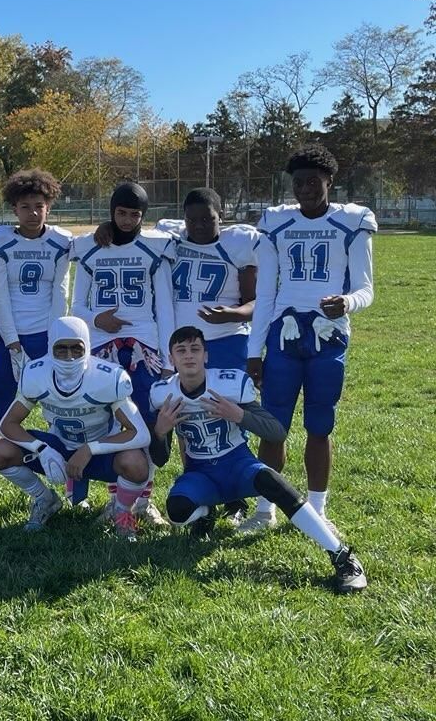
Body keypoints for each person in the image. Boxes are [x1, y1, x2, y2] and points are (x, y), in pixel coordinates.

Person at [150, 326, 367, 593]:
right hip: (201, 473)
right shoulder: (162, 393)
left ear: (206, 355)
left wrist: (239, 415)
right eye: (181, 351)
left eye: (195, 349)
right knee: (177, 511)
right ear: (172, 359)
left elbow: (276, 432)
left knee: (272, 481)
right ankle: (204, 514)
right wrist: (160, 432)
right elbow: (159, 459)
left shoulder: (229, 383)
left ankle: (342, 555)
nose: (189, 356)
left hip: (237, 464)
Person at [241, 144, 377, 534]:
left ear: (329, 181)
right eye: (298, 182)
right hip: (283, 337)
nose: (305, 189)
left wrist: (347, 302)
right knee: (273, 426)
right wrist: (255, 350)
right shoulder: (277, 223)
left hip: (328, 337)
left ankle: (317, 508)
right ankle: (266, 509)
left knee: (320, 425)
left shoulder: (352, 221)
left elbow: (367, 289)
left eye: (313, 181)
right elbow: (265, 293)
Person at [0, 317, 152, 538]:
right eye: (61, 349)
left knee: (136, 463)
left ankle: (121, 510)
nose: (69, 356)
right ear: (50, 348)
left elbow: (140, 434)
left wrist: (90, 449)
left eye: (76, 348)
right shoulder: (37, 374)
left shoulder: (107, 377)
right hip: (60, 448)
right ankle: (44, 499)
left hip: (100, 452)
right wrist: (42, 449)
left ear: (87, 346)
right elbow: (7, 425)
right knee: (1, 451)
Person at [69, 182, 174, 524]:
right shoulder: (89, 247)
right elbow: (76, 306)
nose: (127, 220)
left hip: (145, 345)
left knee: (143, 418)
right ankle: (118, 499)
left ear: (143, 216)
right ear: (111, 211)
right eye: (121, 213)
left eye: (135, 214)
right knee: (108, 420)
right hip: (101, 344)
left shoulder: (155, 247)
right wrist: (97, 318)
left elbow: (166, 306)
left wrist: (168, 360)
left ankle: (144, 499)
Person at [157, 187, 258, 524]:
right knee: (188, 421)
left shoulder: (237, 244)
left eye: (208, 219)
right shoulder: (173, 235)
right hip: (184, 345)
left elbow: (255, 302)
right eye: (193, 219)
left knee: (227, 417)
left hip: (227, 341)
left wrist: (232, 313)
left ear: (222, 217)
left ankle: (236, 497)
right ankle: (198, 485)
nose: (199, 225)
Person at [0, 169, 72, 513]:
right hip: (9, 337)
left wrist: (53, 340)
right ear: (14, 209)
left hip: (48, 336)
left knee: (61, 411)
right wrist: (13, 342)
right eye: (25, 206)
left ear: (48, 207)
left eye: (39, 205)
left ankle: (73, 485)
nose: (33, 212)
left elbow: (60, 291)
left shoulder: (61, 241)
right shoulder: (1, 240)